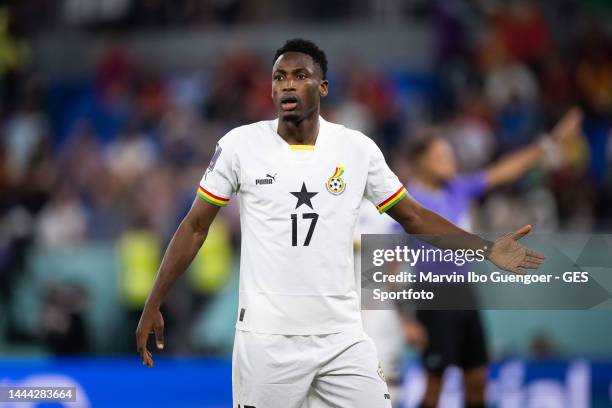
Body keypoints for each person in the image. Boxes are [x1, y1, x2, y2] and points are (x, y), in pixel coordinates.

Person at [135, 38, 544, 408]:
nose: (288, 85)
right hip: (268, 339)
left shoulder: (357, 150)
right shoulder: (240, 146)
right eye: (279, 77)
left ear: (323, 87)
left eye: (300, 76)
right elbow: (195, 227)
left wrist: (485, 248)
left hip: (342, 337)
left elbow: (414, 216)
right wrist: (154, 301)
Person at [401, 108, 582, 408]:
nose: (451, 161)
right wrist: (404, 318)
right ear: (422, 162)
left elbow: (505, 170)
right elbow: (390, 262)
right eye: (442, 156)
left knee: (477, 380)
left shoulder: (458, 188)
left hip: (465, 292)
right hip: (432, 296)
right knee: (434, 387)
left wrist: (549, 144)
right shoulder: (408, 203)